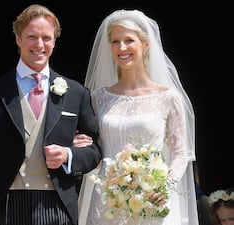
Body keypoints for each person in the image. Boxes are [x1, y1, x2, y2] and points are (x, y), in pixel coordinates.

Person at [0, 4, 102, 225]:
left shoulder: (76, 93)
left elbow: (95, 150)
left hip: (57, 207)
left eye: (46, 37)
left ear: (54, 41)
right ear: (18, 38)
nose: (39, 44)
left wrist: (68, 155)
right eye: (31, 36)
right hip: (4, 207)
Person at [76, 9, 199, 225]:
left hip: (152, 201)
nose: (121, 48)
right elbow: (95, 152)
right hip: (108, 202)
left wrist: (164, 187)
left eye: (129, 40)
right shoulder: (98, 98)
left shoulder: (168, 97)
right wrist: (80, 149)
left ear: (145, 44)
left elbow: (181, 153)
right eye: (115, 41)